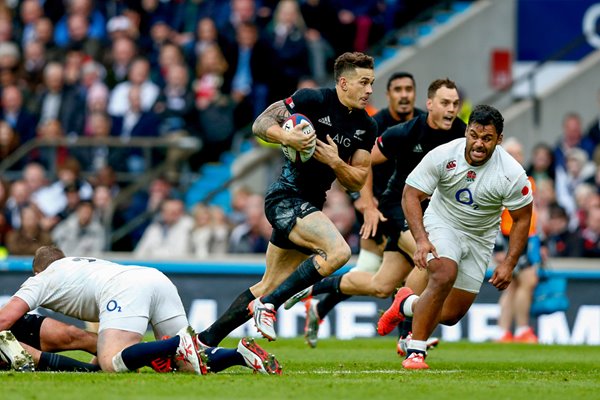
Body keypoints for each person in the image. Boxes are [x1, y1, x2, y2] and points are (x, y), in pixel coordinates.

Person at [196, 51, 377, 346]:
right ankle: (269, 306)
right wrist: (286, 136)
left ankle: (205, 341)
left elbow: (357, 178)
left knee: (269, 284)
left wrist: (335, 161)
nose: (369, 90)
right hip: (284, 198)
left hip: (311, 205)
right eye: (364, 83)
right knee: (339, 253)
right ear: (344, 83)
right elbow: (261, 123)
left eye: (372, 83)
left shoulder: (366, 126)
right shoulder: (313, 100)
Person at [285, 78, 465, 349]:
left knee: (381, 284)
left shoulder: (461, 134)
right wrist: (367, 204)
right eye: (445, 103)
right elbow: (363, 163)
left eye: (455, 104)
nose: (451, 109)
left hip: (428, 216)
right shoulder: (396, 129)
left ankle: (310, 287)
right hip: (392, 209)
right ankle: (408, 336)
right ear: (430, 104)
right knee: (431, 260)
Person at [377, 105, 533, 369]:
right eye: (474, 135)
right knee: (444, 273)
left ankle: (405, 304)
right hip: (443, 223)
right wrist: (422, 239)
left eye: (487, 138)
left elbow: (522, 218)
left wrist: (509, 263)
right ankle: (416, 351)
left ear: (499, 139)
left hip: (479, 238)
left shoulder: (511, 172)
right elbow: (410, 194)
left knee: (450, 315)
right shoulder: (443, 155)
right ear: (467, 131)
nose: (479, 144)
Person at [0, 246, 281, 375]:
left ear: (38, 270)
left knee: (111, 362)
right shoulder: (76, 263)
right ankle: (240, 355)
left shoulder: (40, 279)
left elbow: (5, 318)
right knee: (184, 363)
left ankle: (177, 343)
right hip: (155, 279)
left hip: (126, 288)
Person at [495, 137, 541, 344]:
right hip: (509, 236)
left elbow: (532, 213)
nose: (517, 157)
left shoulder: (526, 179)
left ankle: (504, 331)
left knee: (513, 285)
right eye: (512, 153)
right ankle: (521, 329)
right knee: (527, 280)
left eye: (519, 153)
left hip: (526, 237)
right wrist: (497, 246)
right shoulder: (500, 180)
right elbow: (493, 215)